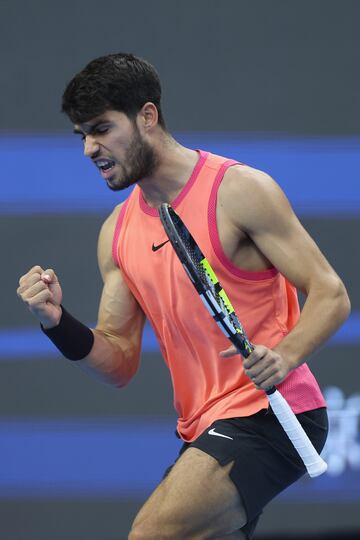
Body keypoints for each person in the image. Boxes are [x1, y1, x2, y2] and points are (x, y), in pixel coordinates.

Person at [17, 53, 350, 540]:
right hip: (203, 425)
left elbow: (331, 293)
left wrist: (283, 357)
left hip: (271, 411)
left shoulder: (239, 191)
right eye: (82, 135)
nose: (90, 147)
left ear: (147, 116)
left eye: (102, 129)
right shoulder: (116, 234)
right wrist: (56, 322)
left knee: (151, 534)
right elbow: (119, 361)